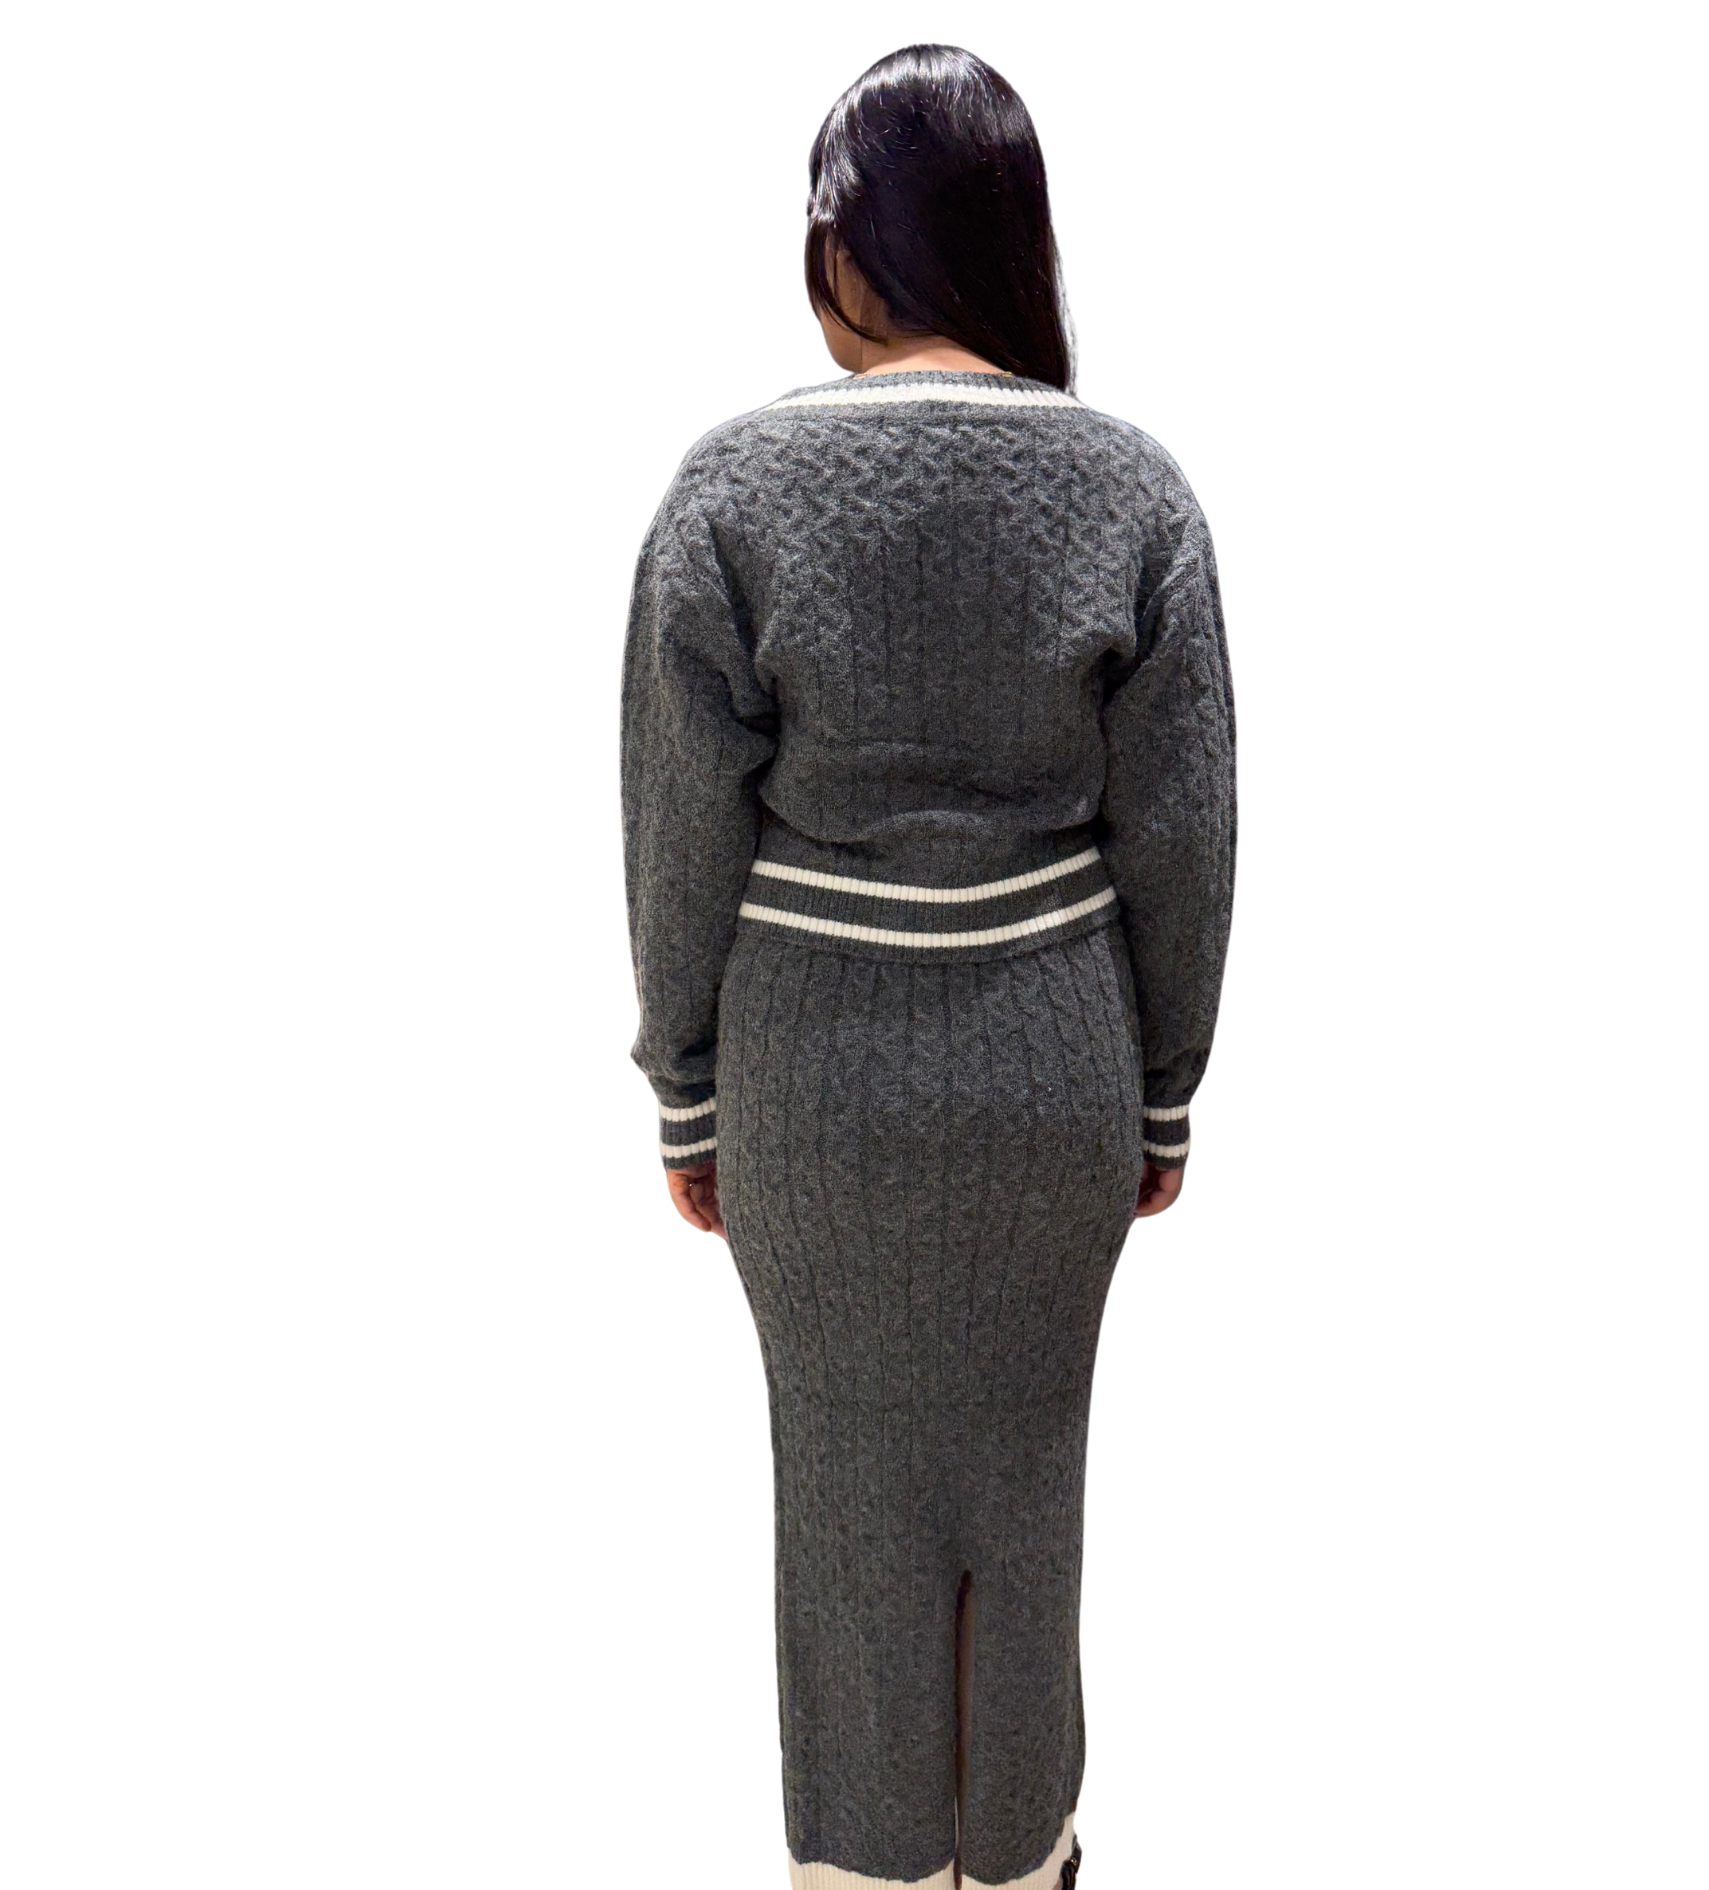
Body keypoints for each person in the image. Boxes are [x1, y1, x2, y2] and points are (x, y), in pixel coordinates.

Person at [620, 43, 1236, 1890]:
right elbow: (1183, 839)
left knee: (845, 1501)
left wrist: (686, 1095)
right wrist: (1161, 1097)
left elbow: (677, 834)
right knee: (1024, 1492)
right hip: (1051, 1077)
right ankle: (1024, 1855)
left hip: (811, 1087)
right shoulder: (1132, 493)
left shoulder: (729, 491)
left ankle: (863, 1864)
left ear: (842, 248)